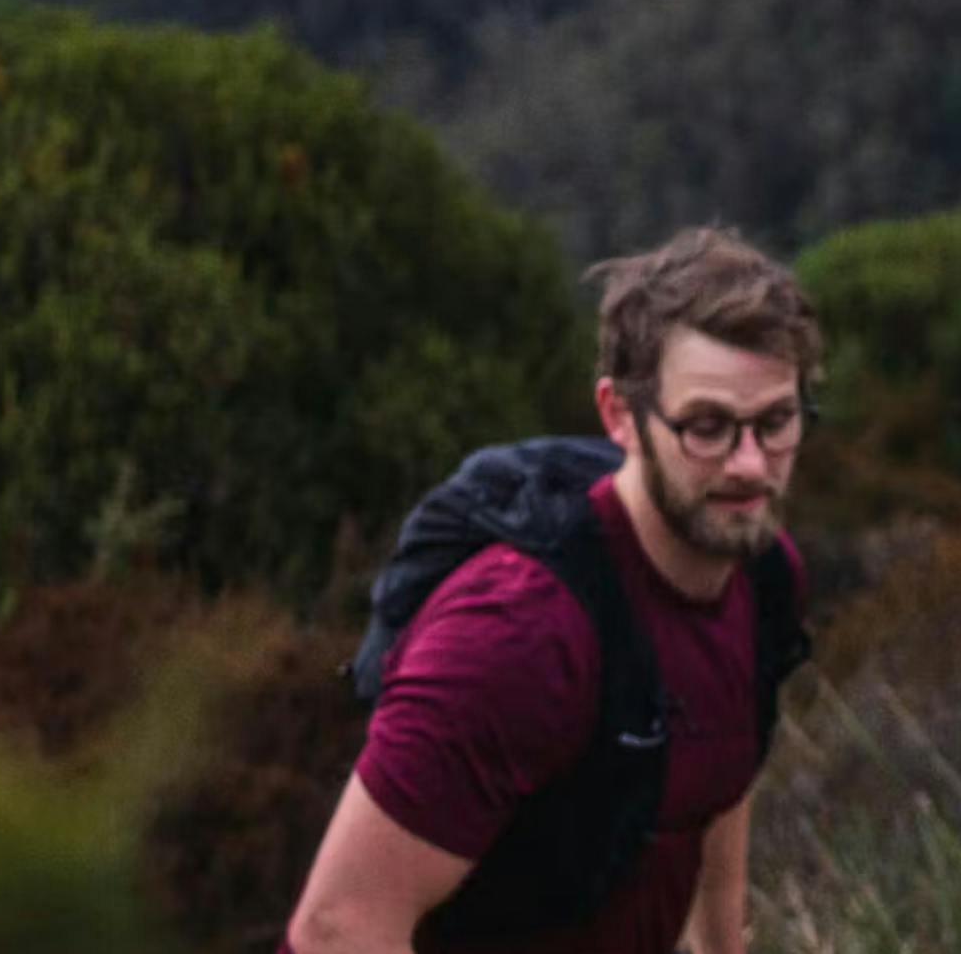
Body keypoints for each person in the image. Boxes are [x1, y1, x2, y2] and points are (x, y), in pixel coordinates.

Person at [285, 227, 819, 954]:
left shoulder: (761, 575)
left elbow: (716, 788)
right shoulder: (522, 634)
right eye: (707, 427)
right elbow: (336, 927)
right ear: (620, 415)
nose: (750, 466)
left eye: (775, 422)